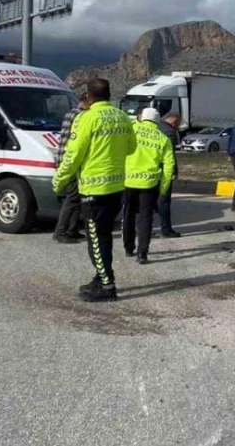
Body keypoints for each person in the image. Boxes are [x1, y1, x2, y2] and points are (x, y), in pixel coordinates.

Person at [53, 78, 136, 302]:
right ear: (109, 95)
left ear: (89, 97)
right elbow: (131, 148)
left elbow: (73, 155)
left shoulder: (86, 119)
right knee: (104, 236)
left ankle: (107, 286)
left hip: (93, 189)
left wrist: (59, 180)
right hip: (116, 187)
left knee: (96, 240)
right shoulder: (122, 117)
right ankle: (101, 277)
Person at [121, 107, 176, 264]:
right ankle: (142, 253)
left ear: (141, 118)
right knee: (146, 218)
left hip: (127, 181)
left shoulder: (131, 130)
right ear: (158, 121)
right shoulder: (162, 138)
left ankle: (128, 247)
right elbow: (168, 166)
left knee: (128, 215)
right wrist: (163, 188)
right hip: (149, 184)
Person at [52, 92, 90, 243]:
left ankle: (72, 229)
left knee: (77, 197)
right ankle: (61, 231)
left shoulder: (71, 114)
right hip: (71, 161)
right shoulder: (80, 117)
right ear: (86, 102)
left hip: (65, 159)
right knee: (72, 198)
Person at [156, 110, 182, 237]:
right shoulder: (169, 132)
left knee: (148, 203)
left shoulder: (155, 126)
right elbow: (170, 155)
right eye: (179, 123)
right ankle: (166, 229)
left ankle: (144, 230)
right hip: (164, 171)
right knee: (164, 201)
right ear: (174, 120)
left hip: (148, 170)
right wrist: (174, 171)